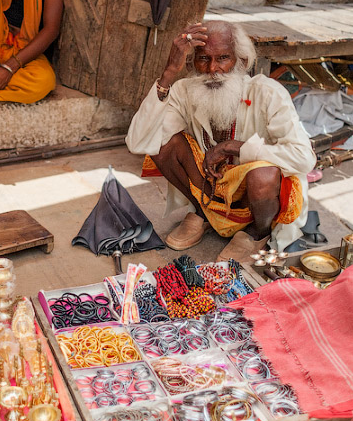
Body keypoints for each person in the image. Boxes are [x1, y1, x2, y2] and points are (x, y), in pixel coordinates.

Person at [125, 21, 316, 260]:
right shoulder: (185, 90)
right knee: (163, 145)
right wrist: (168, 74)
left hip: (251, 195)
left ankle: (256, 233)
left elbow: (305, 158)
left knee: (264, 174)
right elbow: (139, 141)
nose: (213, 69)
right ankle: (203, 214)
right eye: (203, 59)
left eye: (223, 58)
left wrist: (234, 147)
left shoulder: (268, 93)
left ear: (241, 61)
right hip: (207, 187)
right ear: (192, 62)